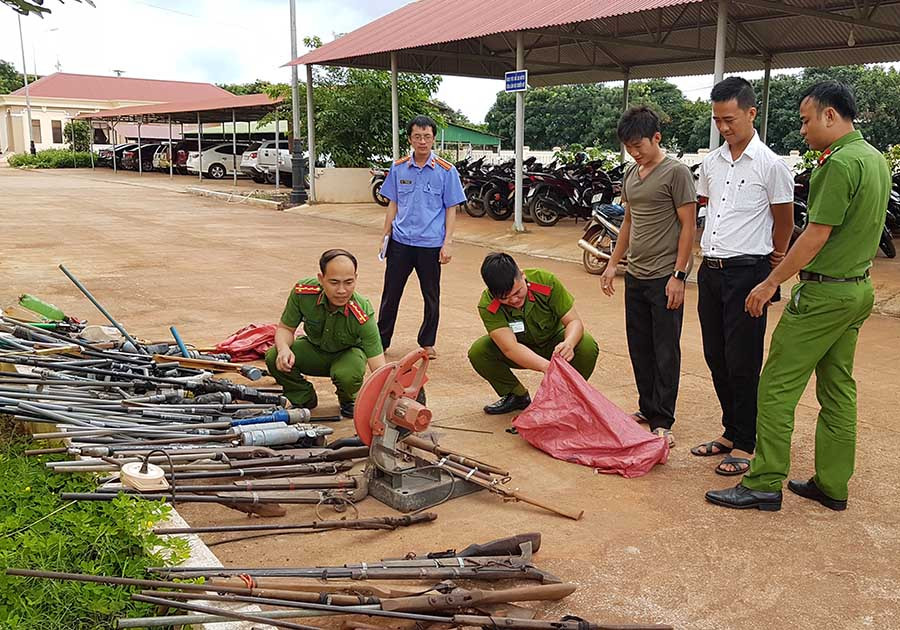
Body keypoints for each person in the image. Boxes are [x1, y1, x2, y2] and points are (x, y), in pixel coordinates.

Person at [706, 81, 891, 512]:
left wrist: (771, 281)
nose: (803, 130)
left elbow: (815, 235)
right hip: (857, 289)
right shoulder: (874, 158)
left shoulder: (838, 164)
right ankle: (832, 484)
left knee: (775, 386)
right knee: (838, 388)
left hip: (823, 294)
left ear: (830, 115)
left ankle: (764, 481)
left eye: (807, 121)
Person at [690, 77, 795, 476]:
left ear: (751, 113)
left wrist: (774, 266)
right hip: (712, 270)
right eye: (717, 120)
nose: (723, 127)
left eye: (730, 119)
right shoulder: (711, 164)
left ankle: (747, 442)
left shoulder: (771, 165)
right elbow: (708, 210)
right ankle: (730, 430)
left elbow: (784, 222)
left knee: (743, 360)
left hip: (748, 272)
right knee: (715, 355)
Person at [600, 106, 697, 447]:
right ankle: (647, 405)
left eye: (639, 145)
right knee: (639, 346)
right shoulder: (631, 173)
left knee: (665, 349)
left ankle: (663, 419)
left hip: (664, 276)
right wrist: (613, 263)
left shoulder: (677, 173)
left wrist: (679, 275)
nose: (634, 152)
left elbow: (689, 226)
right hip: (636, 274)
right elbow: (628, 221)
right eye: (628, 147)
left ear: (657, 138)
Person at [377, 115, 467, 359]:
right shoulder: (398, 168)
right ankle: (381, 341)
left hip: (430, 244)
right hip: (401, 242)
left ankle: (427, 342)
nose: (422, 141)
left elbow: (450, 208)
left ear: (434, 138)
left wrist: (447, 243)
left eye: (427, 136)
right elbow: (393, 203)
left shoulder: (446, 171)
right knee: (390, 293)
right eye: (417, 136)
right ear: (410, 139)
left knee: (431, 295)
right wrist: (386, 235)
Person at [468, 253, 599, 415]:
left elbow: (574, 321)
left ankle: (568, 396)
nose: (514, 300)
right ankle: (517, 396)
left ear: (522, 276)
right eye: (505, 298)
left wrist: (569, 343)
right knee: (479, 352)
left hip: (555, 343)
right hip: (521, 349)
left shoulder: (545, 281)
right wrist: (547, 368)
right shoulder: (488, 305)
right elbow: (510, 348)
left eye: (517, 292)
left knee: (586, 345)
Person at [265, 249, 386, 418]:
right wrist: (284, 348)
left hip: (347, 355)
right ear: (321, 279)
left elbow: (378, 365)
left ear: (356, 279)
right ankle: (302, 395)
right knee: (274, 356)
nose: (342, 290)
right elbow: (285, 329)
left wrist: (390, 397)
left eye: (349, 282)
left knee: (347, 375)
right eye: (334, 282)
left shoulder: (362, 311)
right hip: (314, 350)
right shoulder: (303, 293)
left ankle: (348, 400)